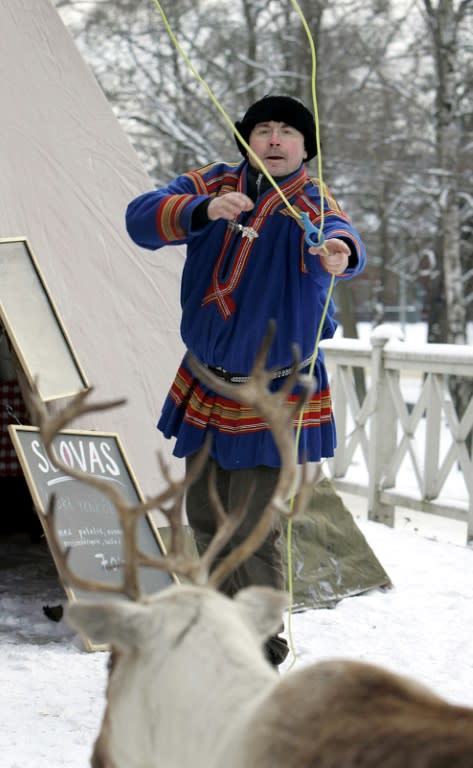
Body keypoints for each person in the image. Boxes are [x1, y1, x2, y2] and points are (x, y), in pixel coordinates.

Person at [126, 94, 366, 666]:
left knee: (252, 525)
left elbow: (341, 238)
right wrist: (202, 212)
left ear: (306, 147)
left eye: (288, 132)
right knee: (206, 517)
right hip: (207, 381)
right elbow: (140, 218)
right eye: (264, 130)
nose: (276, 141)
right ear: (248, 139)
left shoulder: (311, 201)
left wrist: (338, 253)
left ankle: (261, 651)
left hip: (273, 388)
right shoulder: (212, 183)